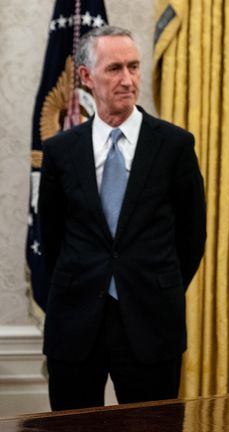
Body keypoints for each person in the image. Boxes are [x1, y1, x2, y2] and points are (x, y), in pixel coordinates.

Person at [38, 25, 206, 410]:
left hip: (151, 321)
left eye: (133, 66)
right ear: (85, 77)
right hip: (75, 323)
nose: (128, 80)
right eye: (114, 68)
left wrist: (155, 287)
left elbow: (192, 237)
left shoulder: (174, 145)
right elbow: (52, 238)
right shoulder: (61, 152)